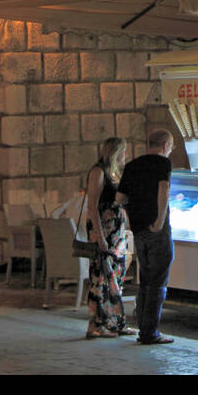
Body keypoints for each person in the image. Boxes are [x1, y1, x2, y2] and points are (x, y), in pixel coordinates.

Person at [116, 129, 175, 346]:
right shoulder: (163, 164)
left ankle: (143, 327)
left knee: (145, 280)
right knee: (158, 281)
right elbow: (164, 189)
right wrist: (159, 221)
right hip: (156, 229)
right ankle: (150, 333)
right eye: (171, 147)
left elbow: (120, 197)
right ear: (165, 145)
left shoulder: (132, 165)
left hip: (138, 230)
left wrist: (133, 216)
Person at [83, 136, 131, 340]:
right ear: (116, 152)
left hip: (116, 232)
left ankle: (115, 322)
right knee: (100, 276)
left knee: (116, 277)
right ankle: (95, 324)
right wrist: (100, 236)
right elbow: (92, 205)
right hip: (103, 230)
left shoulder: (114, 173)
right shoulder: (98, 171)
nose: (125, 156)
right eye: (123, 152)